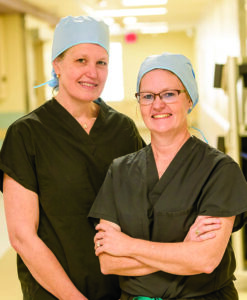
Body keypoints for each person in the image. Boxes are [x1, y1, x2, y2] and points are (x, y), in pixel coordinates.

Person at [0, 16, 147, 300]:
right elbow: (22, 237)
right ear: (57, 65)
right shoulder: (26, 134)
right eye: (81, 60)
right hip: (54, 292)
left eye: (101, 62)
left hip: (122, 290)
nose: (92, 72)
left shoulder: (122, 130)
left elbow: (148, 203)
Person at [89, 53, 247, 300]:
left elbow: (205, 260)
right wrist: (183, 252)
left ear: (189, 100)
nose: (157, 104)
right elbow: (109, 263)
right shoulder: (120, 171)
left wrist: (128, 246)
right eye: (148, 96)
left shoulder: (220, 170)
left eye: (169, 94)